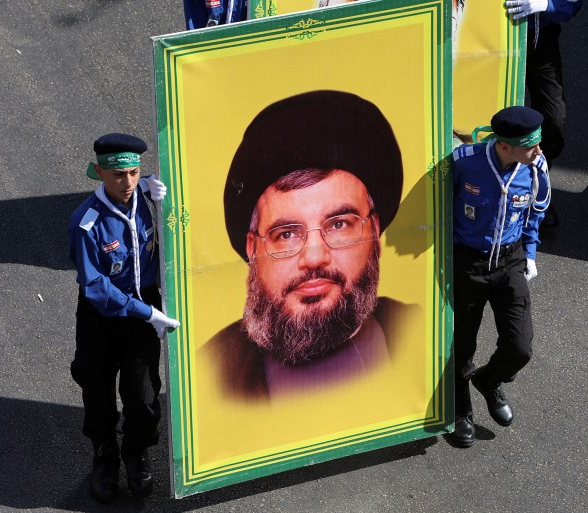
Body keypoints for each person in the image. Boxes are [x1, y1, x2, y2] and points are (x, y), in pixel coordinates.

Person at [200, 90, 422, 401]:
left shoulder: (423, 333)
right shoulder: (208, 373)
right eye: (286, 234)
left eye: (339, 224)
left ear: (373, 229)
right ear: (253, 250)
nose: (315, 257)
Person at [68, 133, 180, 502]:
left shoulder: (148, 199)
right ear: (99, 172)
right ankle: (105, 453)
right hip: (103, 315)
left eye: (134, 173)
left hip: (143, 306)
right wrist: (148, 313)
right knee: (96, 386)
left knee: (143, 393)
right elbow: (96, 288)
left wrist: (169, 198)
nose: (128, 183)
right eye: (118, 175)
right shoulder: (86, 222)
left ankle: (136, 450)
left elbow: (180, 233)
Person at [448, 106, 550, 448]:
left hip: (510, 260)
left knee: (520, 346)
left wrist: (531, 252)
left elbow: (535, 210)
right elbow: (439, 208)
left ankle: (489, 380)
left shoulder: (535, 166)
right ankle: (460, 408)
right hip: (469, 263)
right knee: (462, 343)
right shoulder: (463, 162)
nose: (538, 151)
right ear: (505, 146)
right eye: (530, 146)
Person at [505, 0, 583, 230]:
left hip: (539, 38)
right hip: (491, 37)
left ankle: (535, 183)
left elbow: (572, 4)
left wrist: (547, 4)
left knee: (553, 120)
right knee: (493, 112)